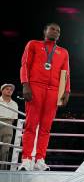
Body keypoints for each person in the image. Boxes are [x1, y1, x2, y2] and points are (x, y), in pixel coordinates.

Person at [18, 23, 70, 171]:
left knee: (46, 127)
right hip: (35, 86)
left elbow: (66, 73)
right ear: (45, 31)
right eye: (52, 29)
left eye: (58, 31)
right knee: (31, 125)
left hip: (53, 90)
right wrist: (25, 84)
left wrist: (66, 91)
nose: (55, 32)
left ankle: (40, 159)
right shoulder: (33, 44)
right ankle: (27, 159)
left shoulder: (63, 52)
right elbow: (25, 65)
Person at [0, 84, 18, 170]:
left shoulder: (14, 104)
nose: (9, 90)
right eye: (7, 89)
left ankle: (3, 170)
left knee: (6, 149)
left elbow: (14, 119)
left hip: (9, 124)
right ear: (2, 90)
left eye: (11, 90)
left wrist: (8, 124)